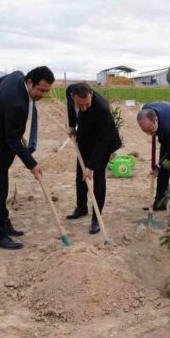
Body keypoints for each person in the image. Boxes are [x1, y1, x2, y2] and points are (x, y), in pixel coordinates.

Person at [0, 66, 55, 250]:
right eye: (40, 90)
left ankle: (5, 223)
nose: (43, 95)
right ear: (30, 82)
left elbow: (2, 81)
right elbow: (13, 140)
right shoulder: (18, 104)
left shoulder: (17, 76)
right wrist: (32, 165)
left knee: (3, 186)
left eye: (47, 91)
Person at [64, 82, 122, 234]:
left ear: (91, 94)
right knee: (80, 175)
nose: (83, 108)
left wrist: (91, 167)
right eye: (80, 104)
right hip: (84, 138)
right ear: (73, 96)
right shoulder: (70, 91)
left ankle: (97, 217)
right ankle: (81, 207)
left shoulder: (102, 108)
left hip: (102, 142)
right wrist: (71, 125)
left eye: (87, 104)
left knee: (98, 177)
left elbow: (102, 142)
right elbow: (70, 106)